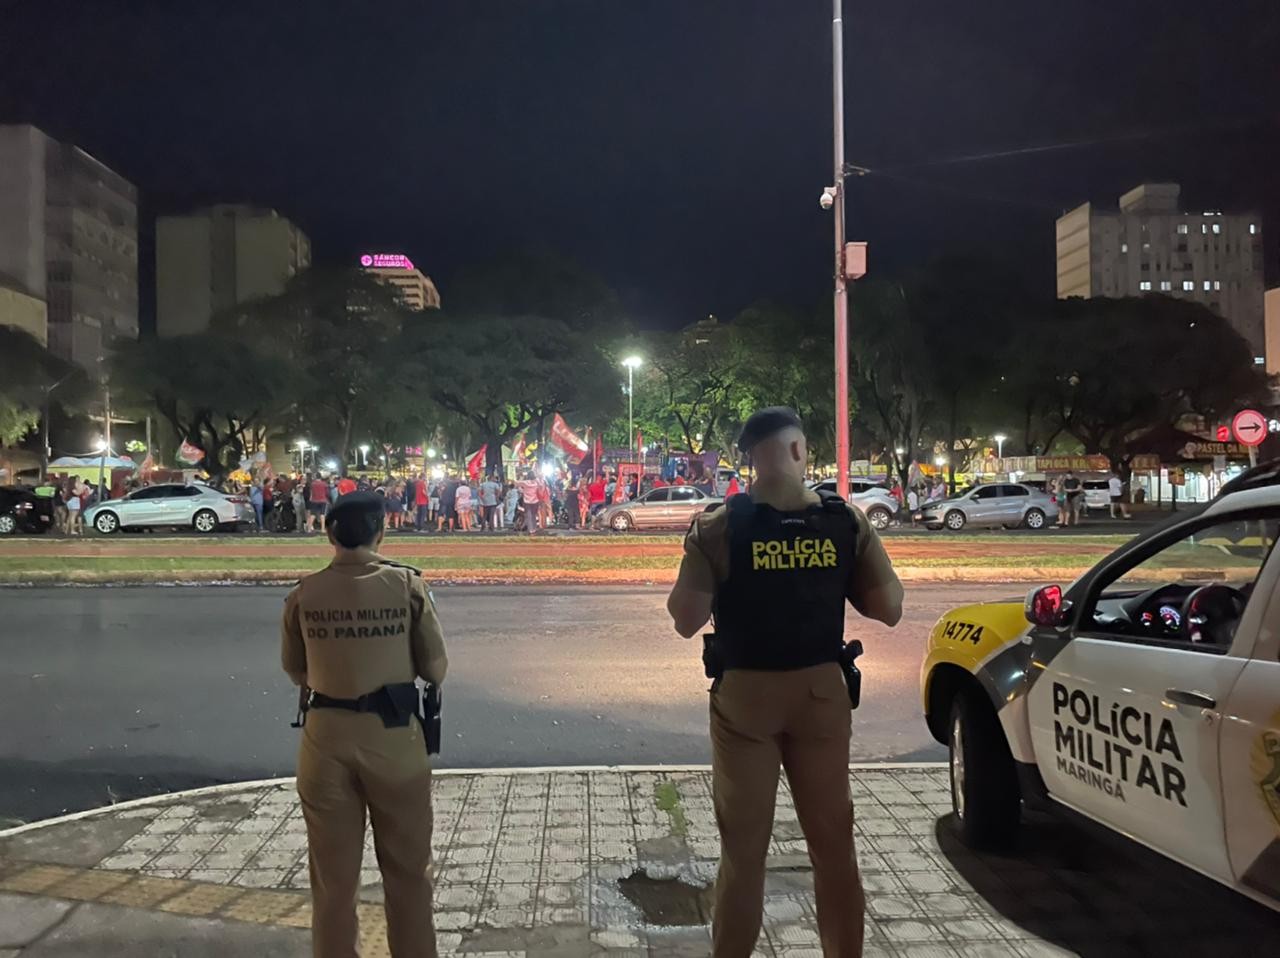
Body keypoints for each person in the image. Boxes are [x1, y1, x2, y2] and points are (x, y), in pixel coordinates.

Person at [666, 406, 903, 958]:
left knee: (743, 854)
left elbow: (685, 620)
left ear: (750, 459)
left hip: (746, 698)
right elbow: (888, 608)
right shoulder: (847, 521)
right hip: (822, 694)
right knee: (834, 848)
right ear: (799, 451)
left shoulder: (719, 526)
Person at [281, 492, 448, 958]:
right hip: (394, 740)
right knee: (409, 875)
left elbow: (296, 671)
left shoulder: (303, 593)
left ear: (328, 534)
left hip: (324, 739)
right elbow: (434, 670)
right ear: (381, 532)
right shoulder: (407, 586)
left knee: (333, 883)